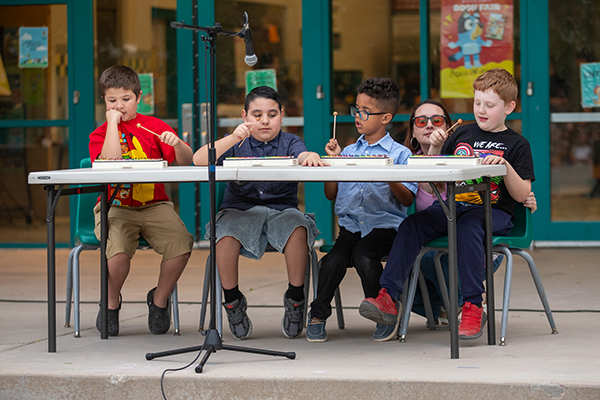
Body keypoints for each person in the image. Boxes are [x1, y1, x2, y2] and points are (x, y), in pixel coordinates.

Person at [359, 68, 534, 341]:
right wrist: (434, 150)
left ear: (509, 107)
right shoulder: (461, 134)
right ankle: (388, 297)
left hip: (494, 212)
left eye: (490, 105)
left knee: (468, 225)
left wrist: (505, 165)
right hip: (454, 207)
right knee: (412, 224)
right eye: (477, 103)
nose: (481, 110)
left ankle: (473, 306)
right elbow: (431, 186)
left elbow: (523, 193)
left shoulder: (517, 143)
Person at [193, 85, 327, 340]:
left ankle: (296, 299)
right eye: (257, 115)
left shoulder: (290, 141)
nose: (264, 120)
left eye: (272, 114)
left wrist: (309, 156)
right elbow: (199, 160)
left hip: (281, 211)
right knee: (225, 237)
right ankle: (232, 302)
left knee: (298, 230)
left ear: (282, 115)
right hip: (240, 211)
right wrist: (233, 138)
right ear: (244, 116)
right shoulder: (233, 142)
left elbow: (302, 155)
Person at [305, 78, 417, 343]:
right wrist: (332, 163)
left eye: (365, 112)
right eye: (356, 109)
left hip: (385, 228)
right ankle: (318, 313)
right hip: (352, 227)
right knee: (331, 261)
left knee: (365, 255)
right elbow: (331, 194)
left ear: (385, 117)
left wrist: (389, 173)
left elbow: (407, 199)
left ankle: (384, 310)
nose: (358, 116)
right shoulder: (348, 152)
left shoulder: (400, 154)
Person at [89, 65, 194, 336]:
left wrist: (179, 144)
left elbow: (188, 162)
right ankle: (111, 302)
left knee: (181, 243)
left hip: (154, 203)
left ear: (139, 97)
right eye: (112, 100)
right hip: (116, 205)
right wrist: (113, 123)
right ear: (104, 101)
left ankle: (159, 299)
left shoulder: (154, 126)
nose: (120, 105)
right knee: (118, 250)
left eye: (126, 99)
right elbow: (111, 162)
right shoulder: (100, 134)